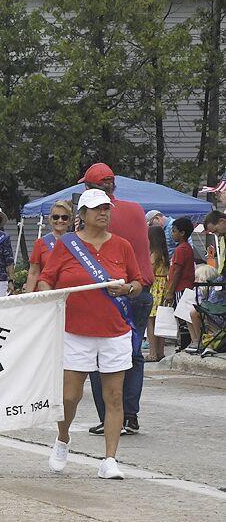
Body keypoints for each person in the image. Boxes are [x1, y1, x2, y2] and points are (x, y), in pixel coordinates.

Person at [37, 188, 142, 480]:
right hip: (76, 331)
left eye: (106, 208)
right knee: (70, 396)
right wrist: (48, 295)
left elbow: (137, 283)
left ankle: (109, 459)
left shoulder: (122, 246)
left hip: (114, 331)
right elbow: (46, 279)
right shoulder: (67, 245)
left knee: (114, 398)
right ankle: (63, 438)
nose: (104, 213)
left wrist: (127, 290)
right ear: (82, 215)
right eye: (96, 209)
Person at [79, 163, 153, 437]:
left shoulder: (93, 218)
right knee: (133, 354)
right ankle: (130, 415)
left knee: (102, 354)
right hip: (141, 290)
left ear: (89, 190)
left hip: (111, 293)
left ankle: (110, 418)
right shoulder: (135, 209)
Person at [25, 201, 74, 293]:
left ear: (70, 221)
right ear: (50, 219)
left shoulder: (76, 242)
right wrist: (27, 299)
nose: (60, 220)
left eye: (64, 217)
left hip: (69, 293)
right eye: (56, 217)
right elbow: (33, 273)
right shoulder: (40, 243)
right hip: (45, 294)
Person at [146, 225, 170, 362]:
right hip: (164, 286)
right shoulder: (164, 253)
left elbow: (150, 271)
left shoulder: (154, 254)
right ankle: (160, 352)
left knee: (151, 322)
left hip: (155, 287)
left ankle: (152, 353)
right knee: (161, 322)